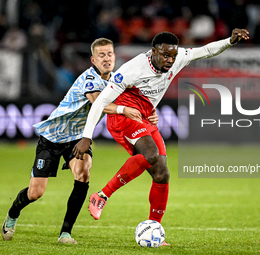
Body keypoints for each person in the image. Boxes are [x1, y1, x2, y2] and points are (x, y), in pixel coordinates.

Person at [73, 29, 249, 244]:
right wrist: (86, 137)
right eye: (165, 55)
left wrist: (230, 41)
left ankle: (154, 227)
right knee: (151, 154)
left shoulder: (177, 58)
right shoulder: (131, 70)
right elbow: (100, 102)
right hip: (125, 115)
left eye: (173, 56)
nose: (170, 60)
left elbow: (205, 51)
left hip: (144, 116)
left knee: (162, 174)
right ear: (153, 52)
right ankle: (102, 195)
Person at [1, 38, 159, 244]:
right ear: (93, 59)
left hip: (77, 138)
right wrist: (124, 110)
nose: (107, 58)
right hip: (53, 138)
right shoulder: (89, 78)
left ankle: (65, 233)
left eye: (110, 54)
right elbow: (98, 103)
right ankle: (13, 214)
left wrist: (148, 114)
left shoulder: (117, 81)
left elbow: (135, 100)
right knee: (35, 192)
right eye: (101, 55)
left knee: (83, 174)